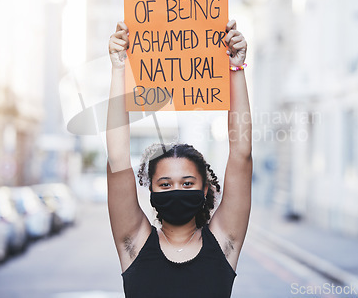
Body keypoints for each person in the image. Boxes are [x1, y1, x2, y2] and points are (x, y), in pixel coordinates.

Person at [107, 19, 252, 298]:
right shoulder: (134, 244)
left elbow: (241, 156)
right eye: (165, 184)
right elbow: (117, 159)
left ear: (205, 188)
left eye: (187, 183)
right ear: (150, 190)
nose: (176, 190)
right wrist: (118, 68)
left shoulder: (224, 242)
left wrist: (236, 68)